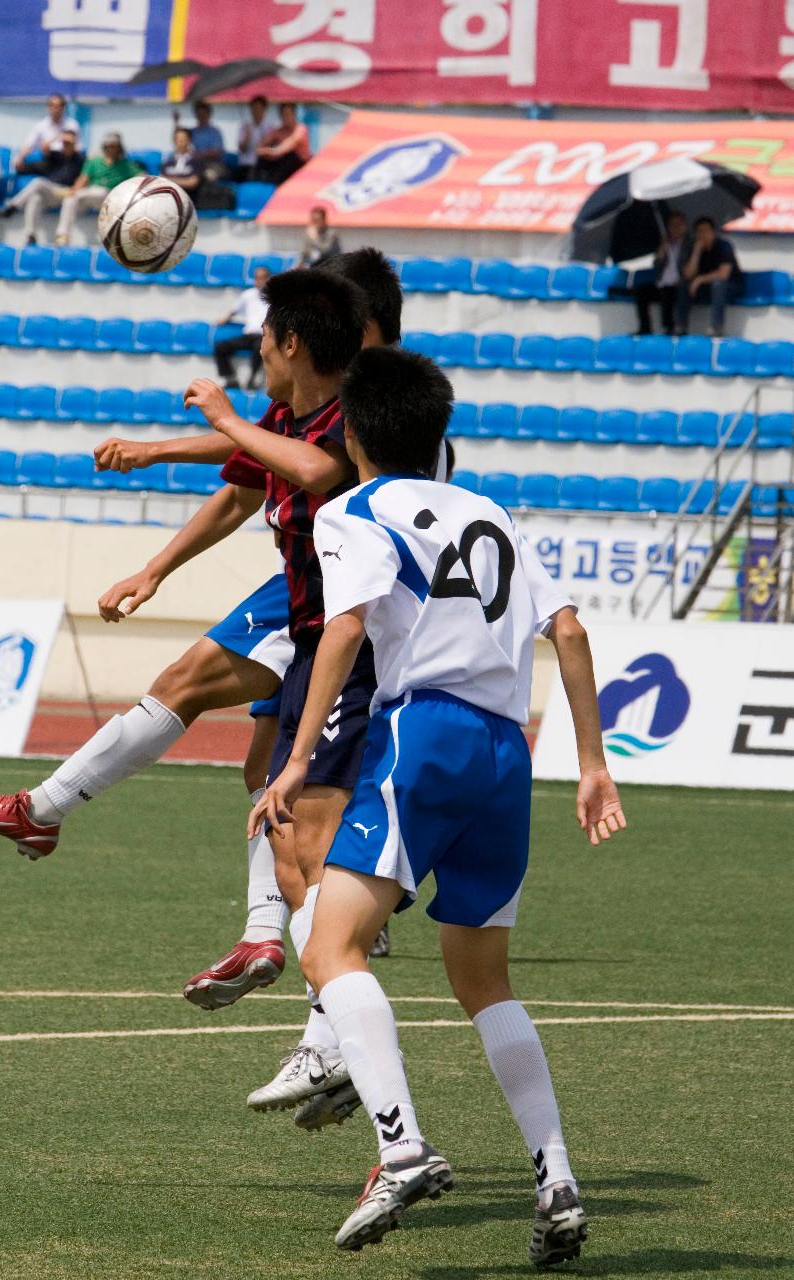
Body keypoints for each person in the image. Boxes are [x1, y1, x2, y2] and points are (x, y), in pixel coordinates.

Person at [251, 345, 626, 1256]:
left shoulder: (352, 510)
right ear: (438, 430)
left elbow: (345, 627)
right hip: (508, 753)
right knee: (484, 982)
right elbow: (567, 629)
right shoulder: (489, 511)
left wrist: (297, 760)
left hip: (425, 734)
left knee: (326, 942)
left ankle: (402, 1146)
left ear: (347, 430)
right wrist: (593, 762)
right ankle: (559, 1180)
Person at [0, 267, 370, 1031]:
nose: (257, 351)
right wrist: (155, 557)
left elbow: (309, 466)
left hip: (351, 620)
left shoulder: (363, 414)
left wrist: (218, 420)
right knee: (256, 769)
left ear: (296, 340)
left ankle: (327, 1024)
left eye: (264, 339)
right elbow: (248, 480)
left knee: (302, 823)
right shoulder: (292, 411)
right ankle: (269, 943)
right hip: (306, 605)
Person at [0, 127, 86, 245]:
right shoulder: (56, 156)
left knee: (38, 182)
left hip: (66, 192)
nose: (67, 145)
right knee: (35, 198)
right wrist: (59, 136)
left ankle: (13, 206)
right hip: (50, 192)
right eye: (64, 142)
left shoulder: (80, 159)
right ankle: (31, 235)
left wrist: (73, 189)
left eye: (69, 142)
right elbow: (44, 147)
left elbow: (85, 176)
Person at [54, 131, 143, 246]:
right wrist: (73, 191)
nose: (111, 148)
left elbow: (141, 176)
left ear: (119, 147)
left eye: (114, 146)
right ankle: (62, 235)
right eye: (109, 145)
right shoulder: (94, 162)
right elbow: (83, 179)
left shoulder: (125, 165)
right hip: (89, 196)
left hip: (108, 198)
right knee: (70, 200)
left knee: (98, 192)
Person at [676, 216, 744, 337]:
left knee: (718, 285)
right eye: (699, 232)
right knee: (684, 284)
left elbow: (723, 274)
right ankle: (681, 326)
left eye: (706, 231)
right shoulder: (694, 247)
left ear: (713, 232)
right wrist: (696, 252)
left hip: (731, 286)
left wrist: (699, 279)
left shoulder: (724, 246)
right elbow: (687, 275)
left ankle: (716, 327)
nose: (703, 235)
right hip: (707, 287)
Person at [632, 209, 688, 335]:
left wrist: (682, 278)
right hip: (663, 283)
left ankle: (668, 327)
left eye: (679, 224)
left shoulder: (689, 245)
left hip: (680, 284)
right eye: (672, 225)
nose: (675, 228)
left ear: (684, 226)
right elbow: (656, 266)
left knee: (667, 290)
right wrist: (662, 247)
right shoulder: (665, 245)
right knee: (641, 290)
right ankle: (645, 327)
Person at [213, 266, 269, 390]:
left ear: (268, 279)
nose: (259, 281)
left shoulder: (273, 298)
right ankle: (230, 379)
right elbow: (234, 310)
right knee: (220, 347)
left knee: (260, 347)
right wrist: (224, 319)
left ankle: (252, 379)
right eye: (257, 278)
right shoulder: (248, 294)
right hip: (248, 335)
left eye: (262, 278)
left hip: (263, 336)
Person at [14, 93, 81, 171]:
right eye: (51, 105)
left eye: (58, 106)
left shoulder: (72, 124)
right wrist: (20, 158)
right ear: (48, 107)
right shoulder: (41, 126)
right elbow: (29, 145)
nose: (55, 109)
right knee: (22, 167)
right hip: (49, 158)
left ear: (63, 107)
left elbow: (77, 147)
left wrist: (64, 139)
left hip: (67, 158)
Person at [254, 103, 311, 185]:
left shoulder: (300, 130)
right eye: (283, 115)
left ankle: (276, 184)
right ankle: (259, 185)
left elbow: (279, 151)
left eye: (287, 114)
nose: (285, 118)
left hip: (300, 168)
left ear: (294, 115)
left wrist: (264, 151)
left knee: (289, 156)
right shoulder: (278, 131)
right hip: (283, 167)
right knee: (262, 160)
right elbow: (261, 145)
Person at [236, 95, 273, 181]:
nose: (256, 111)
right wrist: (246, 138)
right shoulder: (245, 126)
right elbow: (241, 149)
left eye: (259, 108)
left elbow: (270, 148)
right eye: (254, 108)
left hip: (262, 164)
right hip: (245, 165)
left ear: (264, 109)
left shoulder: (270, 127)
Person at [161, 127, 201, 204]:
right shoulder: (167, 161)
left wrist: (169, 180)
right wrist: (183, 181)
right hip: (168, 201)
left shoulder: (196, 161)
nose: (181, 143)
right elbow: (161, 181)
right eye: (179, 140)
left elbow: (192, 183)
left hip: (189, 202)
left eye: (184, 140)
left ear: (189, 140)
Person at [188, 100, 226, 171]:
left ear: (209, 115)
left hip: (213, 165)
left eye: (204, 114)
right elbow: (181, 139)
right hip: (195, 164)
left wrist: (199, 155)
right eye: (199, 114)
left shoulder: (215, 132)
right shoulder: (192, 131)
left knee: (208, 175)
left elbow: (216, 152)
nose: (201, 116)